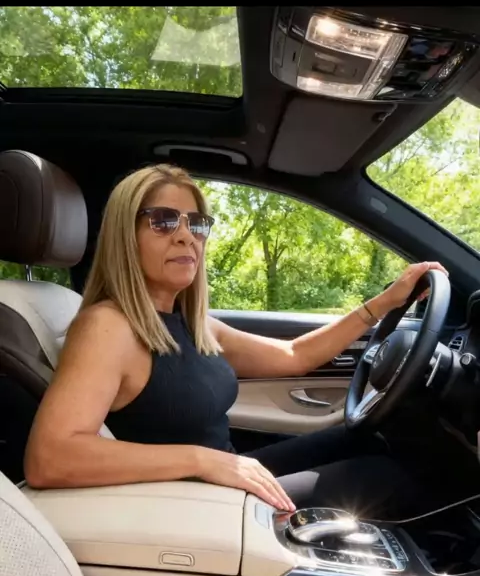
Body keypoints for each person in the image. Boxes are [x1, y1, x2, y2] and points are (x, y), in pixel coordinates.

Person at [24, 164, 448, 516]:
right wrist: (201, 460)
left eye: (197, 223)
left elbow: (294, 355)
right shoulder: (107, 326)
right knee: (390, 477)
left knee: (373, 437)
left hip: (221, 475)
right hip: (192, 502)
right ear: (124, 235)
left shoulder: (193, 323)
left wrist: (384, 302)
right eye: (163, 220)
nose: (186, 235)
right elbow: (50, 458)